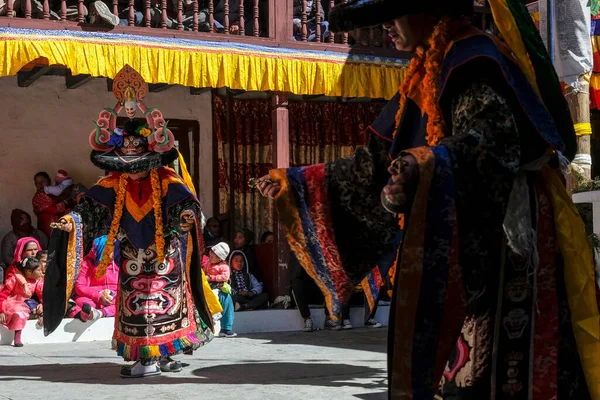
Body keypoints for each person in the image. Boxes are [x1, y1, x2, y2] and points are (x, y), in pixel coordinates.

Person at [257, 0, 598, 398]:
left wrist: (422, 165)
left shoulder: (473, 58)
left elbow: (489, 146)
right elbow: (377, 164)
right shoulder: (426, 70)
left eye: (393, 11)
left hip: (508, 244)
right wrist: (296, 182)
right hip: (469, 254)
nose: (386, 26)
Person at [44, 65, 221, 378]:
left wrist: (185, 216)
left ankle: (166, 355)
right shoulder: (113, 182)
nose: (132, 166)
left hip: (167, 255)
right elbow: (91, 209)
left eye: (137, 159)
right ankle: (145, 359)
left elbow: (188, 205)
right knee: (141, 307)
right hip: (131, 256)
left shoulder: (167, 179)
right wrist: (71, 221)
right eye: (126, 160)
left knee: (168, 306)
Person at [68, 236, 118, 322]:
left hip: (113, 299)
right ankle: (89, 313)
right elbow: (79, 286)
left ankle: (100, 313)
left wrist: (113, 294)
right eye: (110, 250)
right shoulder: (87, 263)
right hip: (94, 299)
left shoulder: (119, 263)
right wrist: (98, 296)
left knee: (124, 303)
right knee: (82, 301)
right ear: (101, 250)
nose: (114, 254)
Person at [0, 257, 44, 347]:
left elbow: (42, 295)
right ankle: (17, 338)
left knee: (33, 308)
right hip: (12, 302)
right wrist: (1, 311)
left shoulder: (38, 281)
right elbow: (3, 295)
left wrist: (42, 304)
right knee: (19, 313)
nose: (41, 272)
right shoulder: (15, 279)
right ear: (29, 272)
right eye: (38, 270)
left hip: (27, 303)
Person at [202, 242, 237, 337]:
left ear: (220, 258)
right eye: (210, 253)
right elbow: (203, 273)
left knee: (225, 303)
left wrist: (211, 277)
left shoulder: (224, 266)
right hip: (206, 288)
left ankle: (226, 328)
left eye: (213, 255)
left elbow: (225, 277)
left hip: (218, 288)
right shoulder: (208, 263)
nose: (210, 256)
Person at [32, 171, 73, 238]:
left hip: (63, 231)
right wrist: (67, 201)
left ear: (49, 181)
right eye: (37, 183)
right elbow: (55, 210)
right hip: (48, 233)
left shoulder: (55, 192)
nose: (40, 184)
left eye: (42, 181)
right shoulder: (38, 198)